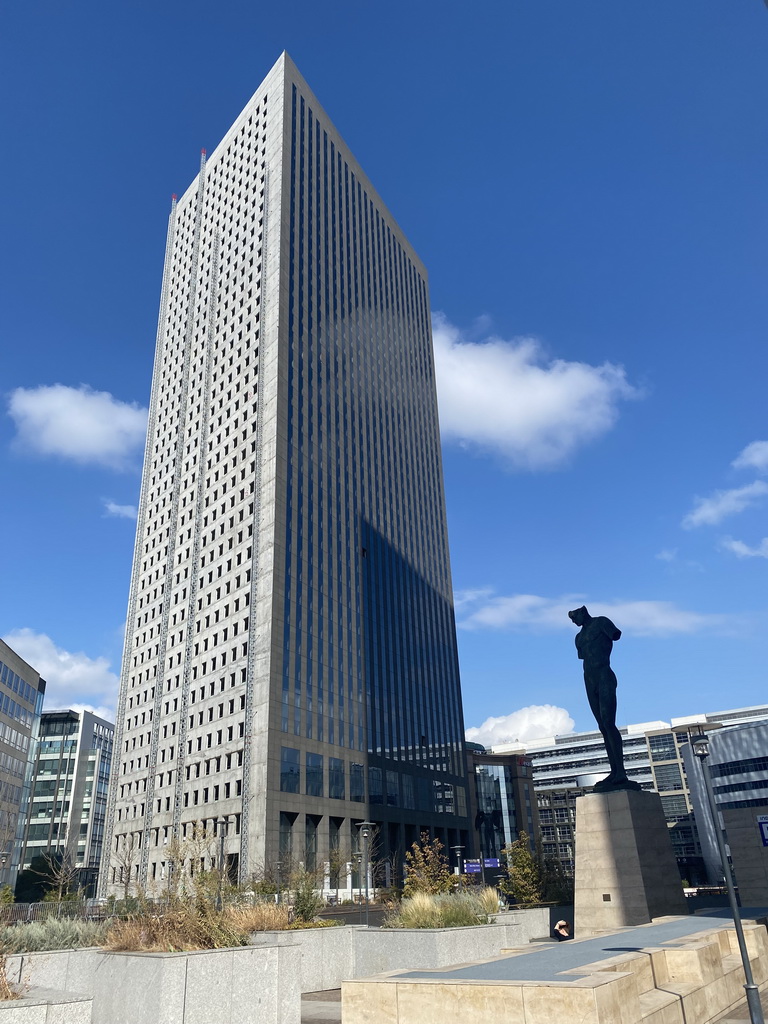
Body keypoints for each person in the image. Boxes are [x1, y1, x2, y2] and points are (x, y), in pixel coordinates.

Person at [568, 605, 639, 792]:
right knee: (602, 726)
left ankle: (621, 771)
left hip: (604, 675)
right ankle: (614, 771)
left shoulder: (601, 622)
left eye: (574, 617)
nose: (574, 622)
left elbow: (615, 635)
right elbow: (583, 658)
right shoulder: (579, 638)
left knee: (609, 723)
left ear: (583, 612)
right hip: (589, 680)